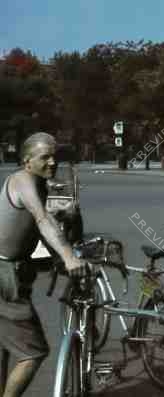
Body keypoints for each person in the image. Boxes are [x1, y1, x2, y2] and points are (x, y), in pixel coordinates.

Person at [0, 132, 88, 397]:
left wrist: (60, 259)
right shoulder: (22, 180)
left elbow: (33, 230)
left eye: (55, 157)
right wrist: (71, 257)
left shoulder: (37, 184)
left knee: (4, 347)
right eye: (45, 157)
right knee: (33, 352)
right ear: (27, 160)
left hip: (10, 271)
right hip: (5, 276)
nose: (52, 162)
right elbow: (41, 220)